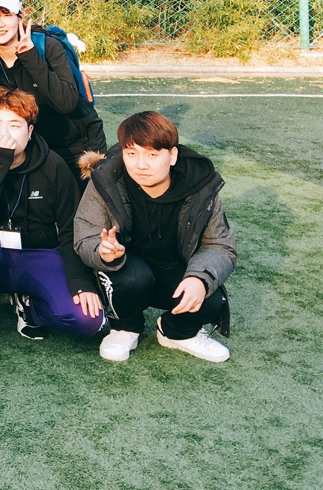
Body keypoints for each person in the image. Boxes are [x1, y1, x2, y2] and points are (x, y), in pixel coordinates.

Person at [0, 88, 104, 355]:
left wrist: (81, 282)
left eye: (14, 125)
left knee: (88, 321)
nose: (4, 133)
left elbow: (71, 227)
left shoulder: (53, 164)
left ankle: (32, 307)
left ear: (30, 131)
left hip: (37, 253)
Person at [74, 112, 235, 363]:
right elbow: (85, 234)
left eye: (152, 154)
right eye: (131, 153)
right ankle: (125, 328)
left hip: (174, 267)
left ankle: (176, 332)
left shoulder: (201, 186)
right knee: (133, 278)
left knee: (211, 299)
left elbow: (219, 245)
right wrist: (102, 251)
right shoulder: (107, 180)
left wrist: (199, 278)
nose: (141, 165)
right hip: (127, 270)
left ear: (172, 155)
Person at [0, 0, 106, 169]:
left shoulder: (48, 46)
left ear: (20, 16)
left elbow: (66, 102)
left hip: (77, 146)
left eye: (6, 15)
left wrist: (31, 57)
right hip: (30, 149)